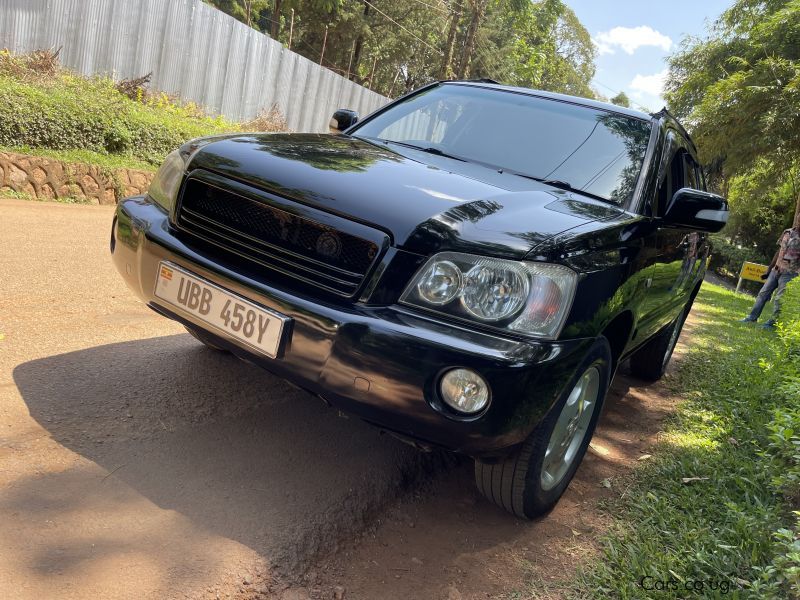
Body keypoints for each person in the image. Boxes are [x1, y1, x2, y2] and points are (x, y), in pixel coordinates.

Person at [740, 224, 800, 328]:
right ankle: (752, 317)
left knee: (779, 299)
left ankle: (771, 324)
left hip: (789, 273)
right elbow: (779, 251)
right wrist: (769, 268)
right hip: (775, 270)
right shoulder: (787, 232)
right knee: (763, 294)